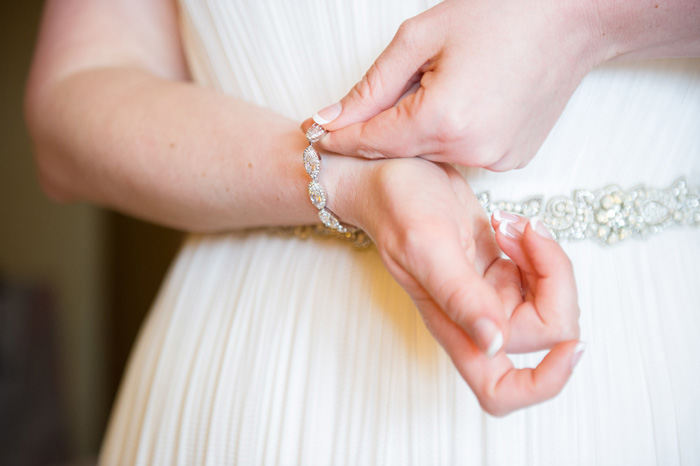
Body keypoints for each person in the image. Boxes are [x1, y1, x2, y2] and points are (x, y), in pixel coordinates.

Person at [25, 0, 699, 464]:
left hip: (636, 360)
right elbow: (75, 94)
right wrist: (346, 182)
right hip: (255, 381)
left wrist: (578, 20)